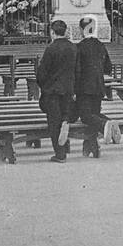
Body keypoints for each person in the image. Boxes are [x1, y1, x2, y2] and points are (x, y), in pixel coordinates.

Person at [74, 15, 119, 157]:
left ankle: (105, 124)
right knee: (94, 114)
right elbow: (108, 67)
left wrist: (74, 89)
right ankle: (96, 141)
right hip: (99, 86)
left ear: (82, 30)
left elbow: (77, 70)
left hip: (84, 88)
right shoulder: (100, 45)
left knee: (86, 117)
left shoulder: (79, 47)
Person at [36, 19, 78, 162]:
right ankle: (65, 142)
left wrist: (44, 86)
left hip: (53, 90)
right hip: (68, 89)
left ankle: (60, 154)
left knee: (54, 122)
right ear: (65, 31)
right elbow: (77, 70)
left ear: (52, 33)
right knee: (64, 117)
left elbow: (42, 72)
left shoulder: (51, 48)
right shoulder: (73, 47)